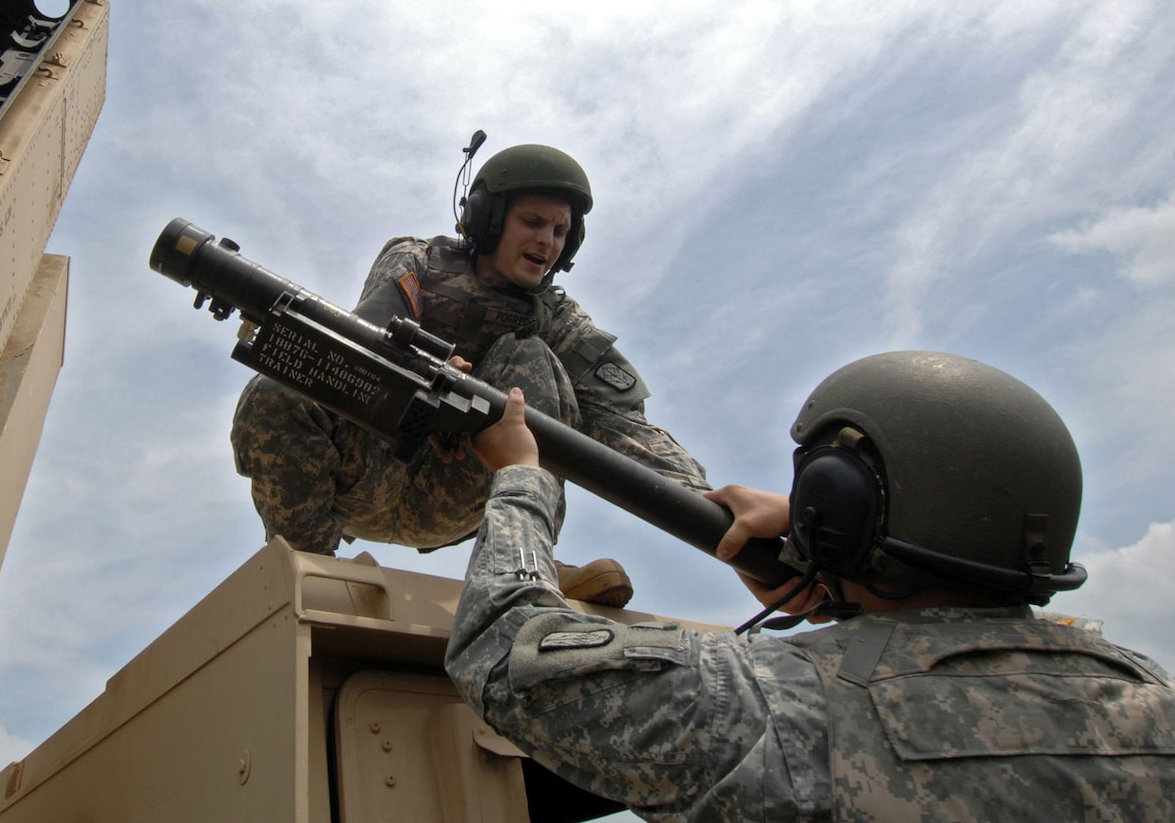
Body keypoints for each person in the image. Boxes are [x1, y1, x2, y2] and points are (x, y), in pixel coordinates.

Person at [446, 351, 1175, 820]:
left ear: (841, 504)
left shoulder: (785, 708)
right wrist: (830, 556)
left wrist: (520, 477)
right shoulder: (1149, 697)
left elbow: (506, 650)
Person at [230, 143, 707, 606]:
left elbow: (624, 425)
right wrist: (422, 375)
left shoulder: (556, 318)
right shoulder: (417, 261)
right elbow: (366, 342)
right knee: (278, 389)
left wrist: (709, 503)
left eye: (561, 231)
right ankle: (308, 565)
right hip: (368, 470)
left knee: (530, 356)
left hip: (459, 485)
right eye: (533, 222)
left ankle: (529, 560)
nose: (548, 240)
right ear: (488, 219)